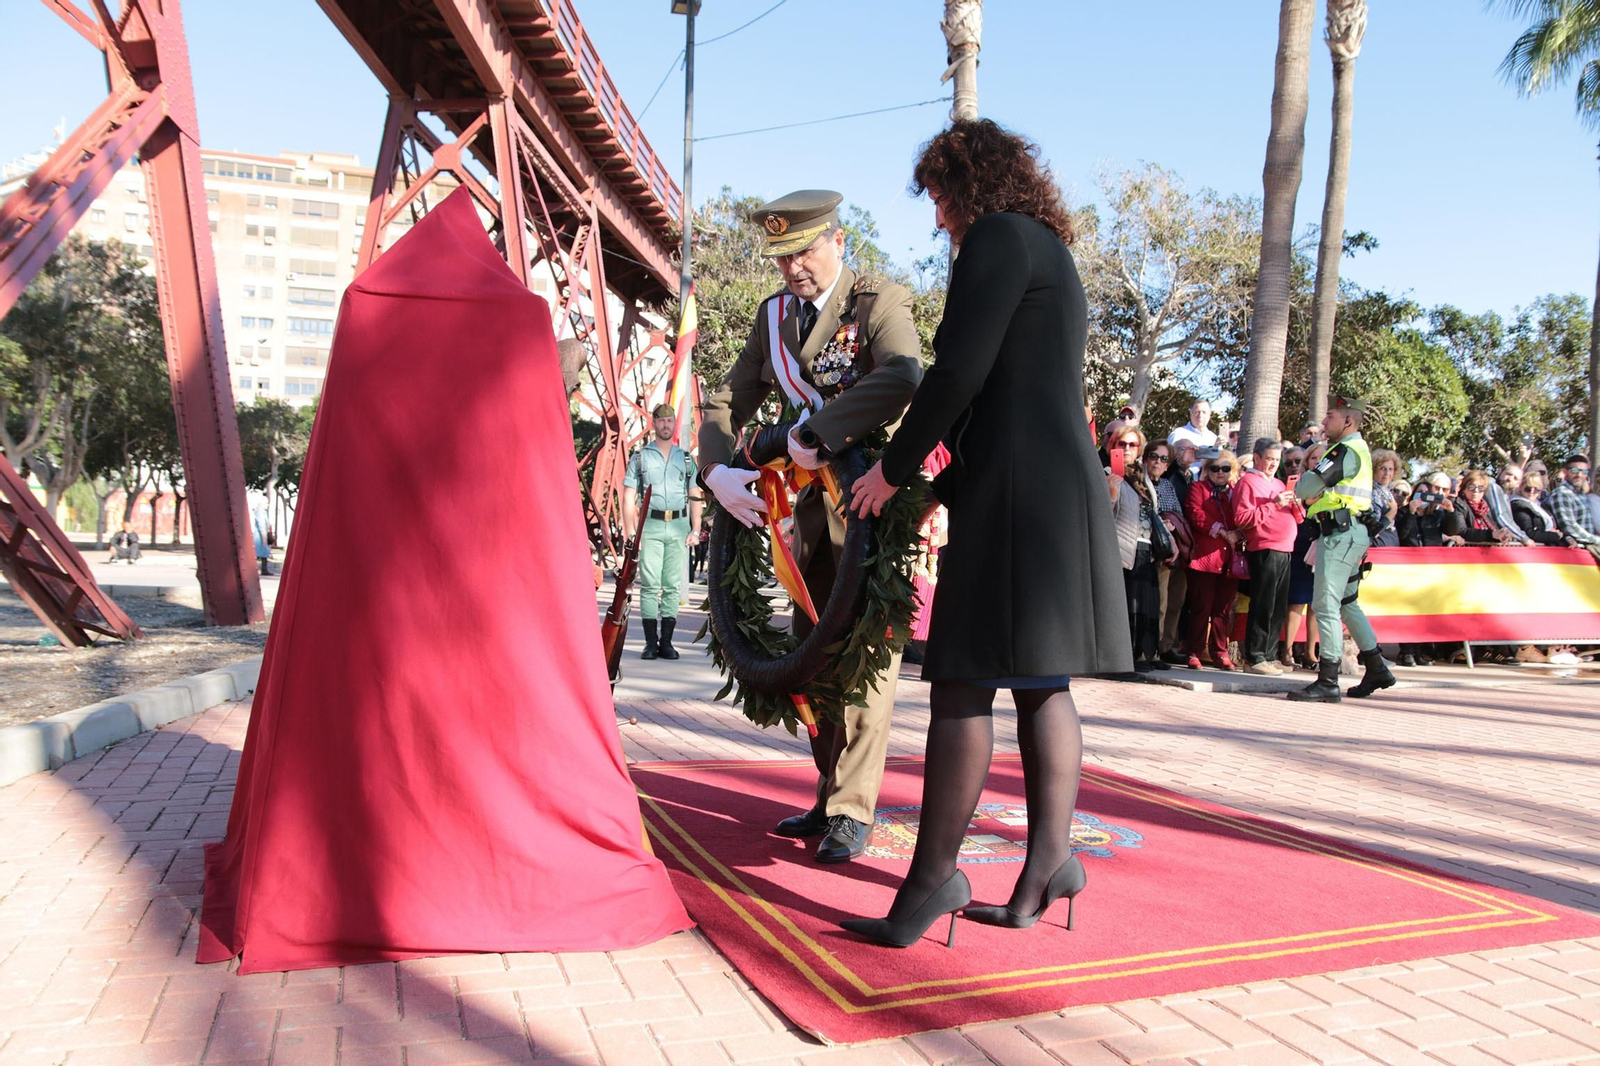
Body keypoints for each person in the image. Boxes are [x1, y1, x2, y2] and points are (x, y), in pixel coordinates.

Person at [842, 119, 1131, 947]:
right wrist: (943, 484)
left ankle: (932, 883)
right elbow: (1015, 386)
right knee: (1041, 682)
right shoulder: (1044, 244)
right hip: (1047, 484)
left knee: (963, 682)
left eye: (939, 198)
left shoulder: (996, 239)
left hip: (1017, 492)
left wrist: (891, 471)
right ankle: (1048, 866)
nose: (938, 219)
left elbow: (960, 373)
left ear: (970, 185)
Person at [699, 188, 923, 865]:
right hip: (805, 516)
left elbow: (905, 376)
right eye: (782, 257)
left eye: (804, 250)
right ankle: (828, 793)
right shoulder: (773, 319)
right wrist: (715, 467)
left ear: (839, 240)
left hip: (869, 502)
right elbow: (726, 396)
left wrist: (821, 433)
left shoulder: (877, 302)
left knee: (863, 660)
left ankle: (855, 807)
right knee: (811, 653)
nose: (793, 267)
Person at [1288, 396, 1395, 702]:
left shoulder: (1344, 451)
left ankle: (1328, 679)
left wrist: (1306, 480)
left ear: (1348, 421)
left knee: (1325, 605)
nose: (1323, 422)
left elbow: (1306, 488)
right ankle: (1376, 667)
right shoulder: (1355, 450)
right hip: (1349, 533)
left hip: (1339, 535)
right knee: (1347, 603)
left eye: (1330, 416)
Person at [622, 404, 703, 660]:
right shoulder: (640, 458)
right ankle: (650, 643)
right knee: (649, 586)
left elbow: (694, 494)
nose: (666, 425)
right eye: (661, 421)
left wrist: (696, 528)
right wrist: (630, 532)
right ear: (653, 423)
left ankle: (666, 642)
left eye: (670, 420)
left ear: (673, 425)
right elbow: (628, 496)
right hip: (651, 526)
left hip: (678, 526)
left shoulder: (686, 459)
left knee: (671, 586)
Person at [1232, 437, 1303, 675]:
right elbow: (1242, 519)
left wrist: (1297, 505)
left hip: (1285, 548)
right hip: (1264, 547)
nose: (1273, 464)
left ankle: (1270, 655)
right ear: (1257, 458)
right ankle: (1255, 657)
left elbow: (1299, 518)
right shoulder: (1247, 483)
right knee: (1263, 604)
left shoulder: (1281, 484)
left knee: (1278, 606)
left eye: (1277, 459)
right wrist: (1273, 504)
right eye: (1269, 459)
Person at [1105, 423, 1166, 672]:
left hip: (1145, 549)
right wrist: (1111, 490)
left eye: (1132, 444)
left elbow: (1152, 513)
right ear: (1113, 447)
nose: (1127, 448)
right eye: (1122, 444)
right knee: (1126, 607)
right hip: (1121, 549)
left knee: (1145, 606)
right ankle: (1120, 662)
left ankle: (1142, 655)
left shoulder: (1143, 478)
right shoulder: (1107, 472)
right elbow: (1103, 516)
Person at [1184, 448, 1243, 670]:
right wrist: (1220, 531)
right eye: (1215, 468)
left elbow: (1244, 516)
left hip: (1230, 559)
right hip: (1205, 558)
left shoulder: (1236, 492)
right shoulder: (1198, 488)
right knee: (1201, 607)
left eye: (1225, 468)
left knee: (1223, 610)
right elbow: (1195, 513)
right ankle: (1194, 651)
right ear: (1207, 470)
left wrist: (1239, 533)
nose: (1220, 472)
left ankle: (1220, 652)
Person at [1551, 455, 1600, 557]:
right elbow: (1569, 527)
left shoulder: (1581, 494)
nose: (1579, 474)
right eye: (1574, 470)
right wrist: (1596, 540)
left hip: (1589, 550)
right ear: (1565, 472)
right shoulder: (1562, 494)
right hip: (1576, 552)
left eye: (1584, 471)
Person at [1454, 470, 1519, 545]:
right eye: (1471, 487)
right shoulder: (1458, 504)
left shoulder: (1484, 507)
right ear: (1464, 488)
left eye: (1481, 488)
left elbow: (1494, 528)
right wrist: (1492, 534)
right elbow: (1462, 532)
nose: (1476, 491)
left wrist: (1503, 534)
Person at [1511, 472, 1564, 545]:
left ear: (1540, 491)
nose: (1532, 491)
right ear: (1521, 487)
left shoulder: (1541, 505)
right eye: (1528, 488)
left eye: (1536, 489)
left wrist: (1565, 536)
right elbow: (1529, 533)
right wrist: (1556, 536)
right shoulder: (1519, 506)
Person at [1370, 449, 1402, 547]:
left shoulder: (1387, 491)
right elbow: (1375, 527)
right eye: (1382, 468)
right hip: (1379, 544)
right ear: (1374, 470)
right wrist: (1393, 510)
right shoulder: (1372, 491)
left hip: (1390, 541)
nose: (1387, 473)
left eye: (1390, 469)